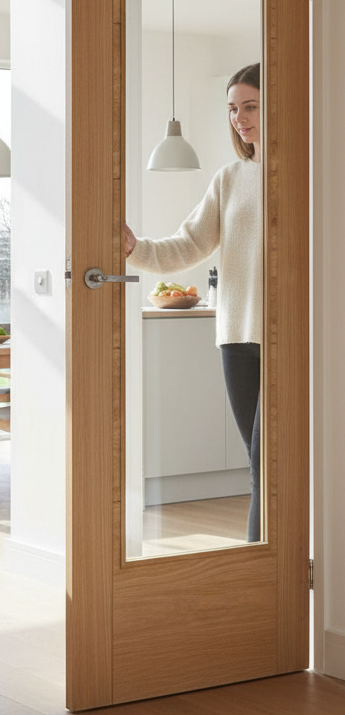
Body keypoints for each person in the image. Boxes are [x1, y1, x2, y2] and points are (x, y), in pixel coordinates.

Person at [124, 63, 262, 542]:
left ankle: (259, 569)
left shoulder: (305, 172)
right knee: (259, 463)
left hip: (287, 337)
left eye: (250, 106)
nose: (239, 119)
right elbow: (186, 245)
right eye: (232, 109)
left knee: (268, 464)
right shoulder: (229, 179)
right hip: (236, 340)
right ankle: (270, 570)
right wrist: (133, 248)